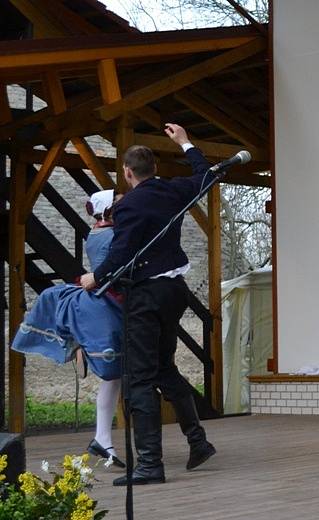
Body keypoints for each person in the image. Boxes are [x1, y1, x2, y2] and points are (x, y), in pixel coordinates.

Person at [80, 123, 216, 486]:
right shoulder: (174, 191)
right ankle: (198, 442)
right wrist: (186, 143)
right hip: (175, 292)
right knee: (163, 369)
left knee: (138, 378)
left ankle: (151, 465)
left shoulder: (129, 207)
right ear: (154, 168)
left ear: (127, 173)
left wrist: (95, 278)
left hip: (147, 295)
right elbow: (205, 176)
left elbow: (121, 254)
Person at [13, 189, 125, 468]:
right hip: (107, 304)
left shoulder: (98, 232)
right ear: (108, 211)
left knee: (114, 377)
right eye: (119, 205)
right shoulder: (109, 235)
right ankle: (103, 437)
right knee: (113, 373)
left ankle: (103, 438)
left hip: (107, 300)